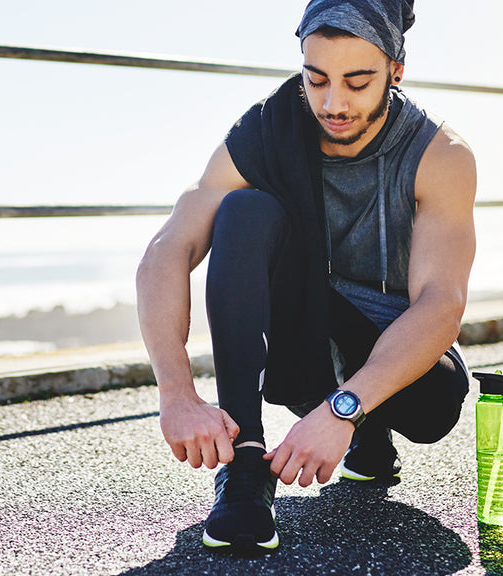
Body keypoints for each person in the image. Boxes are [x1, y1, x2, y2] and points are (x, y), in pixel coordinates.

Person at [135, 0, 477, 554]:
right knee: (242, 213)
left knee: (430, 403)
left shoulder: (440, 155)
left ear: (396, 72)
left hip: (408, 373)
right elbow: (166, 249)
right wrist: (176, 394)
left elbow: (440, 304)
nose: (333, 103)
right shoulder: (268, 127)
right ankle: (245, 469)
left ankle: (367, 429)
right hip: (305, 344)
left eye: (358, 82)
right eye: (315, 80)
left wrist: (344, 410)